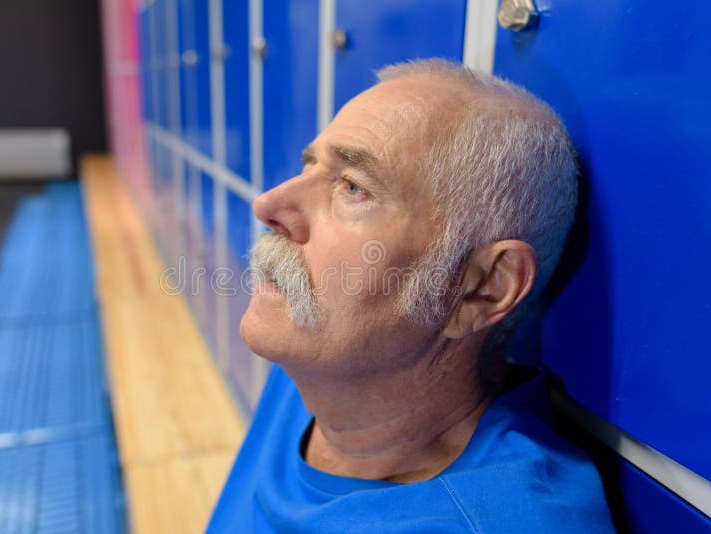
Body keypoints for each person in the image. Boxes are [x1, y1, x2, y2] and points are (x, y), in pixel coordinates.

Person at [207, 59, 613, 533]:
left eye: (353, 187)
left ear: (482, 288)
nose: (268, 205)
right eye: (309, 166)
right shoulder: (319, 366)